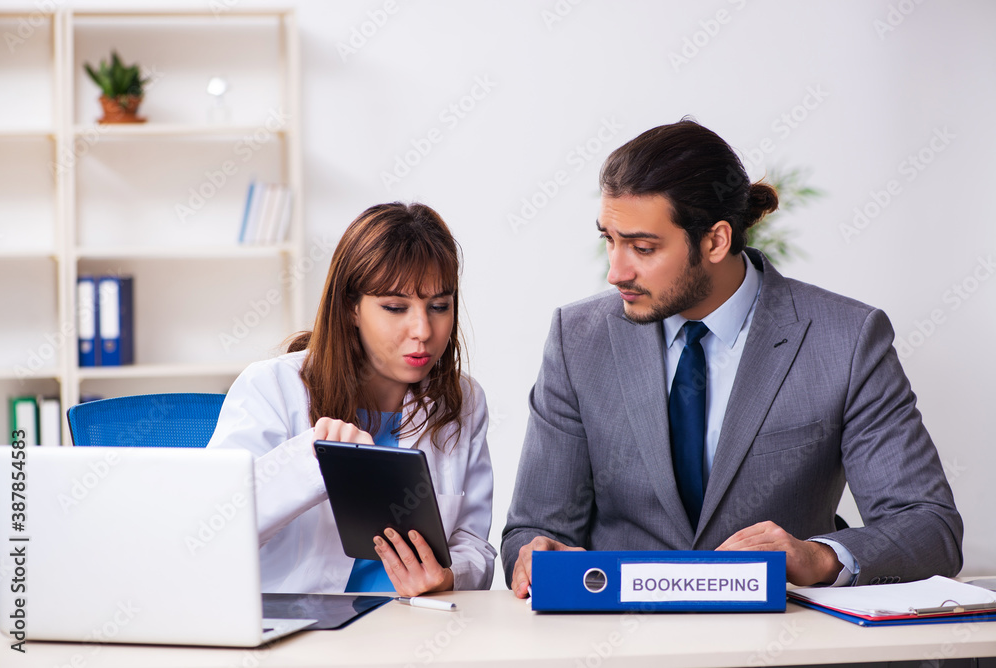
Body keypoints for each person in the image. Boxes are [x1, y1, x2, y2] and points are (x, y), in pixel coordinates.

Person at [502, 119, 962, 597]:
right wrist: (533, 557)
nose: (616, 271)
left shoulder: (845, 340)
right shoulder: (577, 340)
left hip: (785, 642)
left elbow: (930, 527)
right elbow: (529, 533)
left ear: (716, 241)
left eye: (642, 247)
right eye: (609, 241)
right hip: (621, 643)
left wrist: (817, 556)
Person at [209, 202, 496, 595]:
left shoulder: (463, 400)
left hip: (413, 630)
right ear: (351, 308)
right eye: (395, 308)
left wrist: (448, 576)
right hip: (303, 633)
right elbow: (213, 527)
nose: (423, 330)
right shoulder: (273, 387)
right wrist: (310, 461)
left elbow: (473, 544)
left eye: (439, 307)